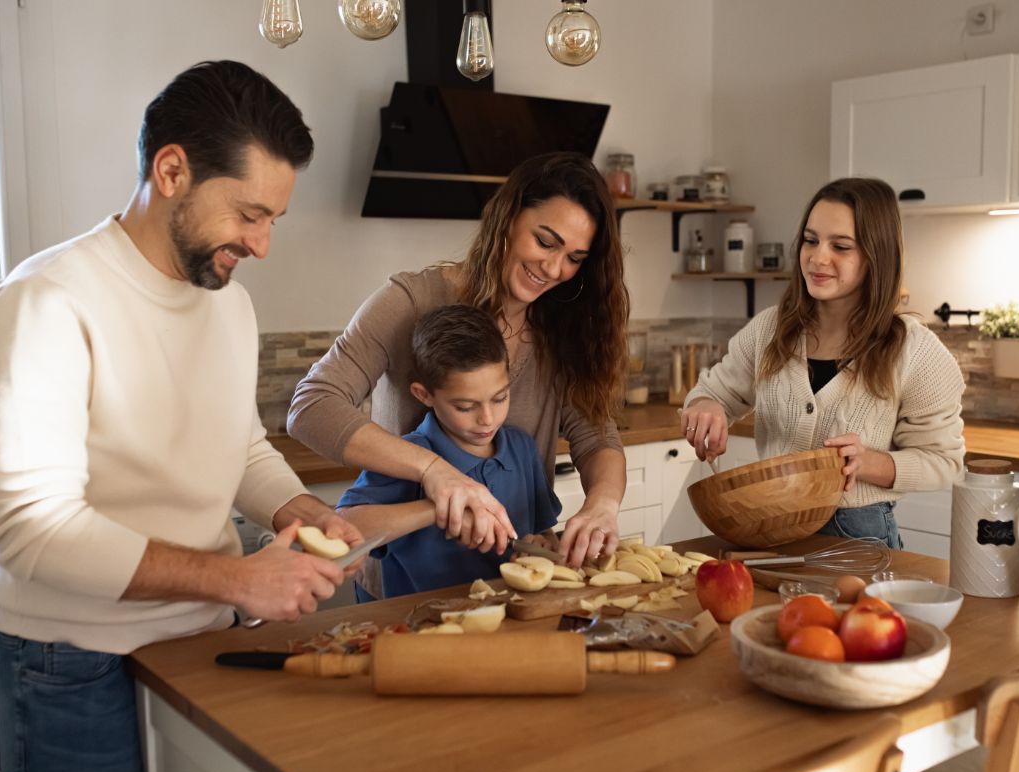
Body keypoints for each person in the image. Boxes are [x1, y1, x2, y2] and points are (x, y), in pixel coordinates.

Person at [0, 61, 365, 772]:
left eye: (273, 219)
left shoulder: (228, 305)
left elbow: (240, 446)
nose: (261, 244)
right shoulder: (46, 301)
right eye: (249, 214)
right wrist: (241, 578)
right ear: (172, 169)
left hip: (204, 645)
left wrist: (296, 509)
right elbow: (34, 531)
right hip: (75, 666)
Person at [289, 151, 629, 583]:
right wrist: (435, 473)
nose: (554, 268)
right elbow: (312, 406)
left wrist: (603, 504)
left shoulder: (562, 322)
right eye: (545, 241)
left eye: (575, 258)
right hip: (405, 587)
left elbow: (596, 432)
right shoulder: (410, 301)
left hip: (507, 584)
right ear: (506, 219)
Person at [680, 177, 965, 548]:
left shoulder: (916, 352)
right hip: (768, 527)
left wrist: (869, 462)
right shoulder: (769, 329)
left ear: (876, 255)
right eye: (811, 240)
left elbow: (945, 463)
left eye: (841, 246)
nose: (817, 257)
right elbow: (712, 392)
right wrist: (705, 408)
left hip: (858, 536)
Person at [336, 305, 562, 599]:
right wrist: (438, 509)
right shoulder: (407, 456)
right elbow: (344, 528)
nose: (488, 419)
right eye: (465, 407)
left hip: (505, 622)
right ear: (424, 395)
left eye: (500, 398)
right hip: (422, 626)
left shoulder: (522, 449)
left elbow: (543, 532)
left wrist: (541, 546)